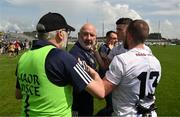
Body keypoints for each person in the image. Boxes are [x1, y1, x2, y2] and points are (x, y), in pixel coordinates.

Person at [15, 12, 103, 116]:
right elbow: (100, 93)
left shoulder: (24, 57)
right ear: (60, 34)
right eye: (67, 33)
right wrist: (95, 74)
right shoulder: (63, 58)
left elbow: (18, 94)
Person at [84, 19, 161, 116]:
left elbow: (101, 91)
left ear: (129, 33)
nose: (117, 32)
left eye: (120, 29)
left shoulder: (121, 59)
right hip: (149, 112)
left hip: (127, 113)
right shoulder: (155, 60)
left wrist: (84, 71)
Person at [69, 23, 97, 116]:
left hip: (87, 100)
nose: (89, 38)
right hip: (78, 105)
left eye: (92, 35)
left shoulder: (87, 51)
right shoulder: (76, 54)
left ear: (95, 37)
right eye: (85, 34)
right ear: (78, 35)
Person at [95, 30, 117, 116]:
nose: (115, 40)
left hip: (113, 80)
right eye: (113, 38)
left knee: (111, 105)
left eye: (116, 38)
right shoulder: (103, 48)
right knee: (111, 105)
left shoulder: (115, 49)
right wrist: (112, 51)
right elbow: (106, 61)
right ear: (107, 38)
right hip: (106, 80)